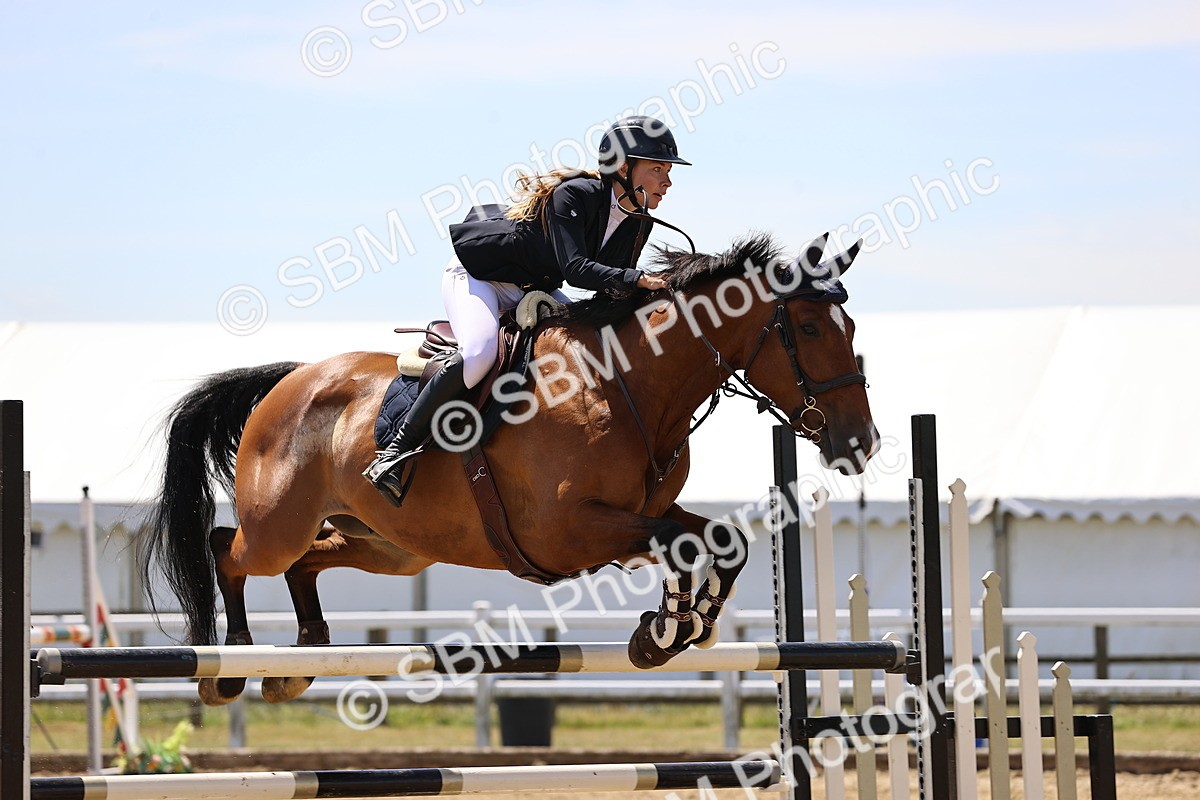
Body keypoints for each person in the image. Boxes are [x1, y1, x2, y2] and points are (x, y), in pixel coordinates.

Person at [364, 116, 691, 499]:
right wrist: (636, 280)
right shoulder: (576, 194)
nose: (667, 182)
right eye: (657, 169)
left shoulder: (639, 222)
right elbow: (577, 269)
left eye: (667, 171)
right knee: (480, 353)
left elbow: (609, 292)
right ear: (623, 167)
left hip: (533, 288)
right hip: (479, 277)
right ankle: (394, 452)